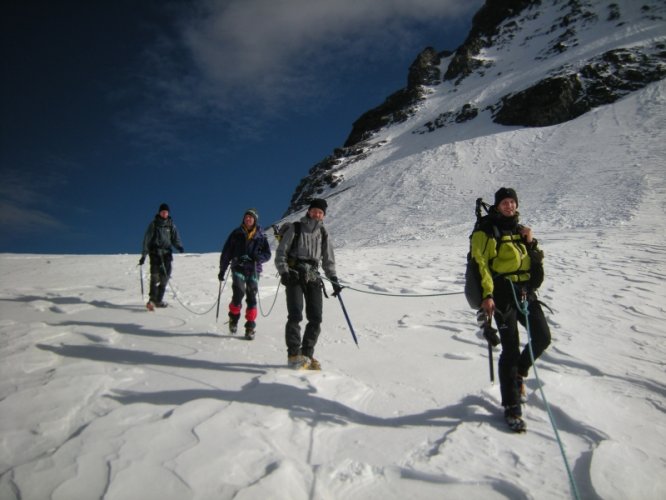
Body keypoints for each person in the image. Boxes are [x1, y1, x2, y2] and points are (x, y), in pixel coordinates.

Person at [470, 187, 551, 432]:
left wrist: (531, 242)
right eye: (504, 203)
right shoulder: (487, 231)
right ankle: (512, 406)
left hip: (526, 291)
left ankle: (520, 374)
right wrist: (487, 295)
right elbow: (481, 264)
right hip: (503, 294)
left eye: (512, 202)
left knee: (542, 337)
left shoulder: (520, 229)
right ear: (497, 205)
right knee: (510, 348)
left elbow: (535, 261)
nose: (509, 206)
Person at [274, 198, 342, 370]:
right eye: (315, 211)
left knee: (316, 317)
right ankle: (293, 355)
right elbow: (281, 252)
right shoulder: (296, 228)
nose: (317, 214)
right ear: (309, 211)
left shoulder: (324, 233)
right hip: (294, 275)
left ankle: (307, 355)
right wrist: (284, 272)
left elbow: (328, 260)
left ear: (323, 216)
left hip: (313, 277)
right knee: (295, 315)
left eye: (321, 212)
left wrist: (334, 280)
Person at [218, 209, 271, 339]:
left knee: (252, 296)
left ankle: (250, 327)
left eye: (251, 217)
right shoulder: (236, 233)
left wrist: (259, 258)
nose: (248, 219)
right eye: (246, 217)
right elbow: (227, 252)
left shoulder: (261, 235)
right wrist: (222, 270)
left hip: (253, 269)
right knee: (238, 293)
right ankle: (234, 319)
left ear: (255, 220)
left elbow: (267, 253)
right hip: (238, 267)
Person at [139, 203, 184, 310]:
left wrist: (179, 247)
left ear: (168, 213)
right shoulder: (154, 224)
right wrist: (144, 255)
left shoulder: (171, 225)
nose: (164, 214)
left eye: (166, 212)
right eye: (162, 212)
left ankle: (158, 300)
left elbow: (175, 238)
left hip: (167, 254)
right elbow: (147, 239)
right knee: (154, 276)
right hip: (155, 253)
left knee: (165, 277)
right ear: (159, 213)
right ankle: (152, 299)